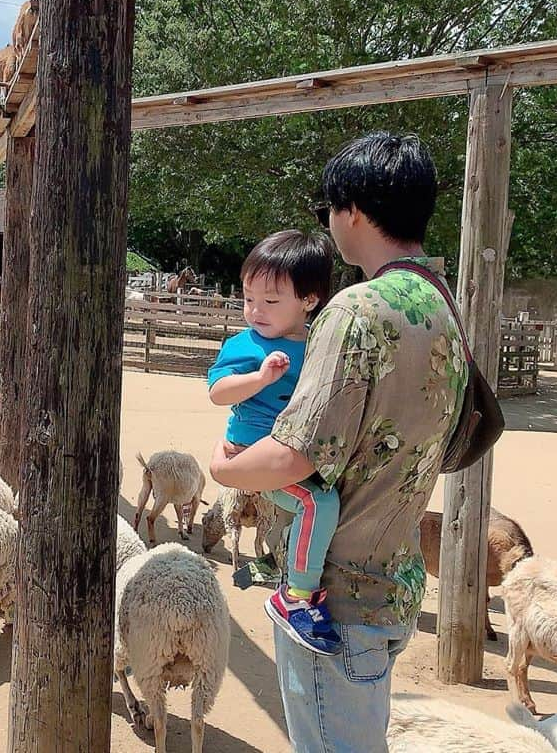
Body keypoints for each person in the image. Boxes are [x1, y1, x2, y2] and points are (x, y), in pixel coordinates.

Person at [209, 132, 467, 753]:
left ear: (350, 211)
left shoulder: (357, 310)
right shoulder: (439, 303)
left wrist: (224, 470)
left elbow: (296, 455)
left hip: (335, 597)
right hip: (393, 576)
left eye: (329, 208)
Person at [207, 229, 343, 655]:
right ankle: (298, 598)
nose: (255, 311)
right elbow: (218, 392)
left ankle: (286, 560)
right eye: (249, 298)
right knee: (316, 503)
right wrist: (259, 378)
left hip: (293, 452)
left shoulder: (321, 339)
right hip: (255, 453)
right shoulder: (246, 344)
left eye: (270, 301)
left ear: (308, 300)